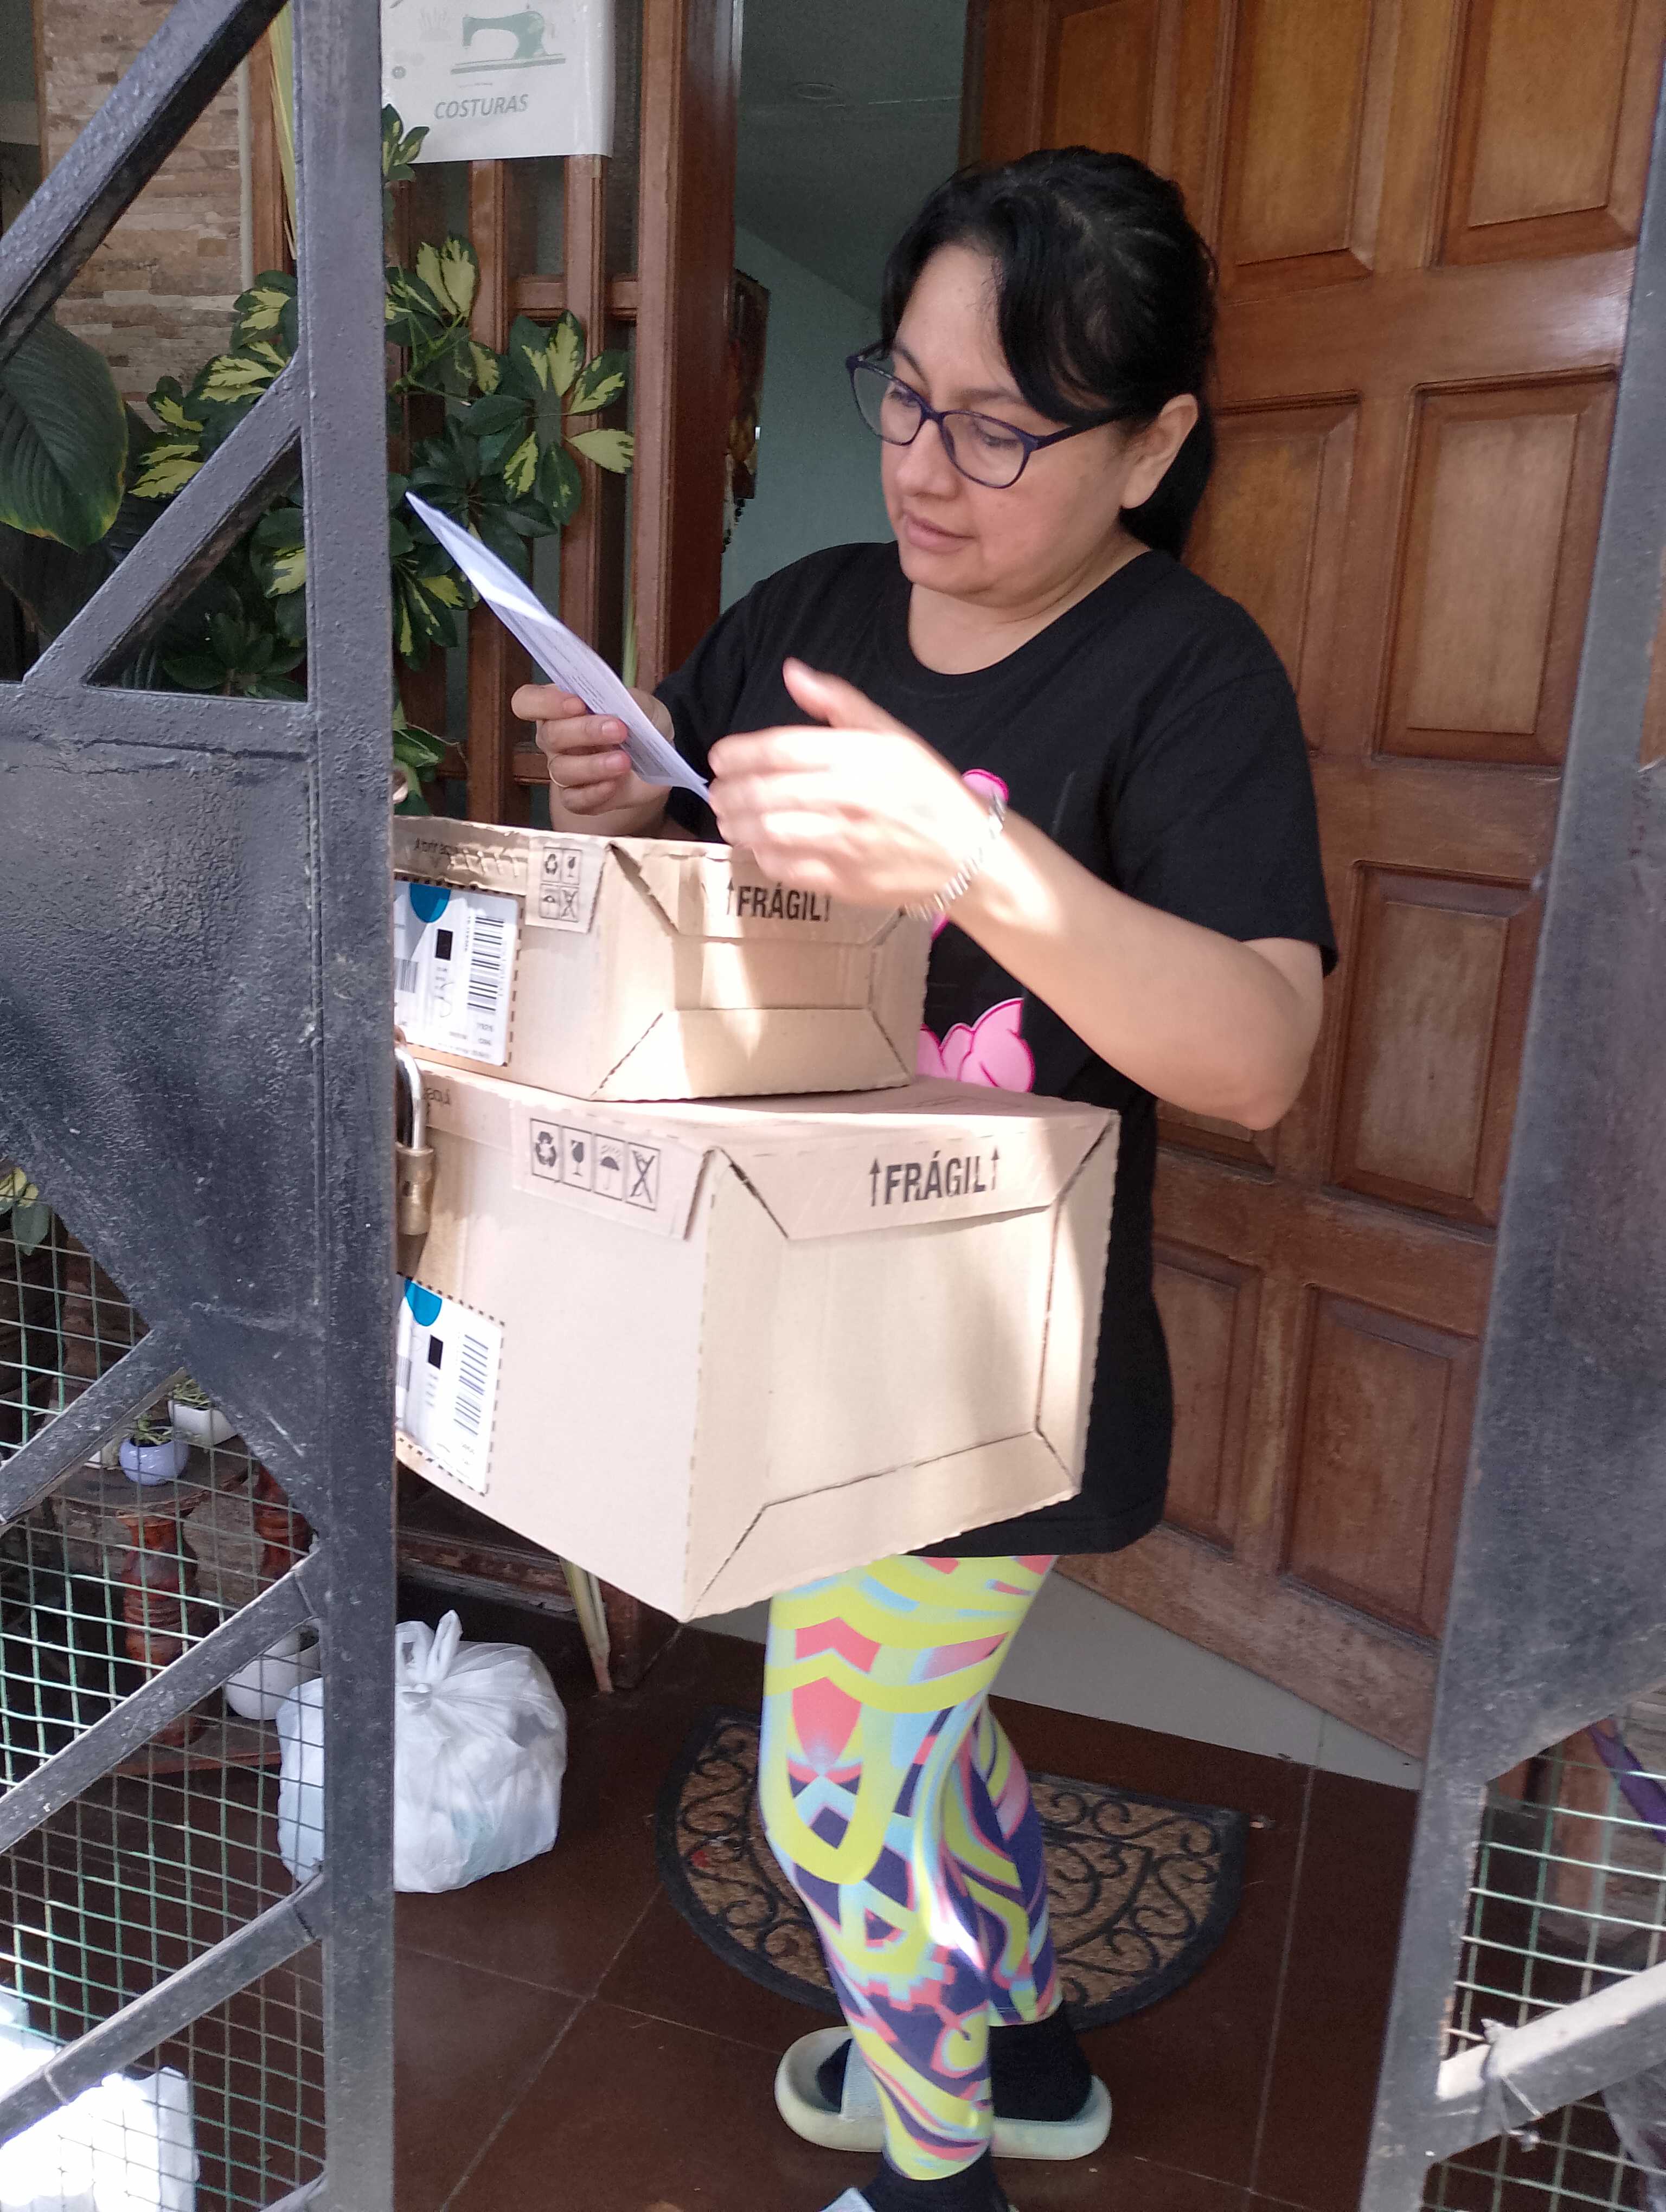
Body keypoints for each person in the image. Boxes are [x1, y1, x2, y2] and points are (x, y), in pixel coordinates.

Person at [515, 146, 1335, 2212]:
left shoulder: (1192, 676)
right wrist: (613, 793)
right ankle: (1023, 2047)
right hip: (804, 1328)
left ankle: (937, 2169)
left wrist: (974, 855)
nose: (925, 466)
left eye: (1002, 428)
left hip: (990, 1376)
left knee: (829, 1797)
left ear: (1154, 446)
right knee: (915, 1739)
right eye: (906, 395)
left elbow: (1258, 1052)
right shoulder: (809, 611)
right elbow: (693, 874)